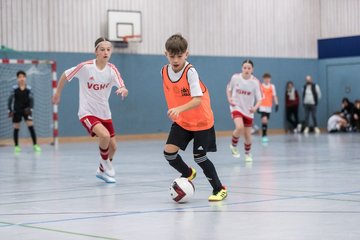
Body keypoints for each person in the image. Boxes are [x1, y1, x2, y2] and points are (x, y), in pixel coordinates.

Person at [52, 37, 128, 183]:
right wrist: (58, 93)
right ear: (96, 52)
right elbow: (65, 75)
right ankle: (105, 163)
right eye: (102, 49)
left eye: (108, 49)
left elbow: (122, 85)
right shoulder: (85, 67)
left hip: (105, 113)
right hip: (87, 112)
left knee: (113, 147)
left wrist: (123, 90)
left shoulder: (112, 70)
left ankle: (101, 171)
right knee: (104, 136)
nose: (106, 52)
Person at [161, 34, 227, 201]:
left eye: (179, 56)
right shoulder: (164, 71)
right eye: (172, 56)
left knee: (200, 157)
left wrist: (178, 109)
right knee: (169, 153)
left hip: (201, 121)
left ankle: (219, 189)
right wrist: (177, 111)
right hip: (183, 121)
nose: (175, 59)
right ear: (166, 54)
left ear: (186, 54)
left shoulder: (191, 72)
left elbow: (197, 100)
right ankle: (188, 173)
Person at [227, 59, 262, 162]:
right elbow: (228, 89)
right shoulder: (235, 78)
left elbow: (260, 99)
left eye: (249, 68)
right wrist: (229, 98)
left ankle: (247, 154)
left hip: (248, 110)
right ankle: (233, 145)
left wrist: (255, 108)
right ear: (242, 68)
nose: (246, 70)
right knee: (239, 127)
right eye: (245, 68)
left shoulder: (255, 82)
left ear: (252, 69)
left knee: (247, 135)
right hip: (236, 107)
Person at [8, 70, 41, 153]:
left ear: (25, 78)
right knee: (16, 128)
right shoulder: (14, 89)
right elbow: (10, 100)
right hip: (17, 110)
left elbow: (32, 100)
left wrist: (31, 109)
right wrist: (10, 110)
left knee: (31, 127)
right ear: (17, 79)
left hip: (27, 110)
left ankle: (35, 145)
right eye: (19, 77)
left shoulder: (29, 89)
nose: (21, 78)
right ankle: (16, 146)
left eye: (23, 77)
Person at [258, 73, 278, 142]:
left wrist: (276, 104)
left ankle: (264, 134)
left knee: (266, 121)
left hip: (269, 106)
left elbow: (274, 95)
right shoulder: (261, 86)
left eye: (268, 78)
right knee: (264, 119)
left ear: (270, 79)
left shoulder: (272, 86)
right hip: (262, 106)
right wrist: (257, 105)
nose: (267, 80)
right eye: (265, 78)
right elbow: (258, 96)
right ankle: (264, 135)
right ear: (263, 79)